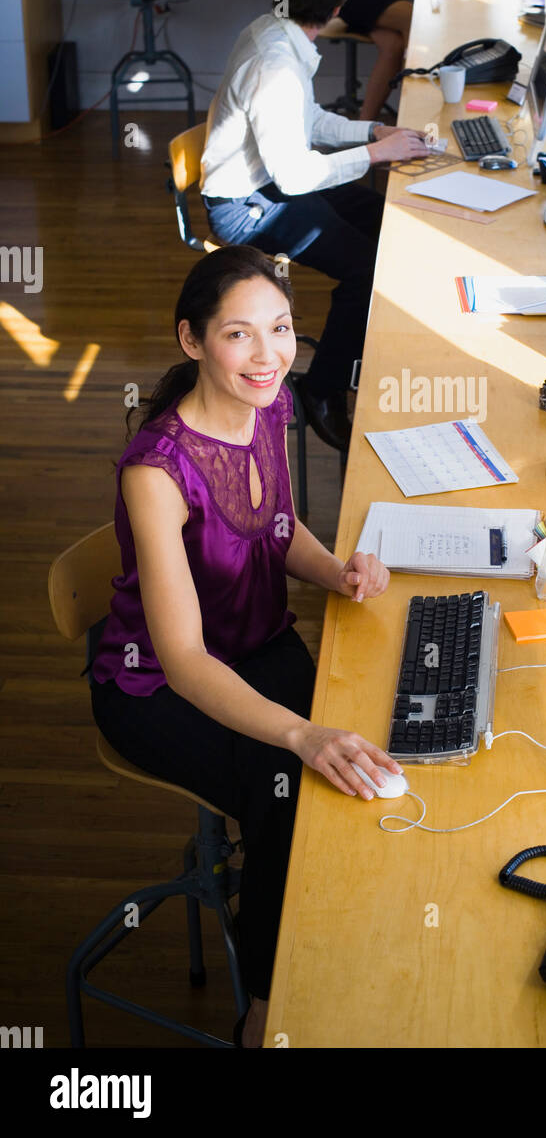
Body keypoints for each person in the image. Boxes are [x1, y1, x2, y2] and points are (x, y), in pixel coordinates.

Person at [90, 245, 402, 1047]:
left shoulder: (271, 404)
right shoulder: (155, 471)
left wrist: (335, 570)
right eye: (239, 335)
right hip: (160, 682)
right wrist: (298, 732)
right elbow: (188, 661)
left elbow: (275, 523)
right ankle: (265, 1009)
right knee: (290, 787)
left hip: (258, 642)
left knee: (364, 738)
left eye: (281, 329)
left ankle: (322, 928)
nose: (268, 355)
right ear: (192, 341)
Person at [200, 0, 427, 451]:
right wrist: (375, 156)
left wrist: (375, 133)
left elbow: (312, 123)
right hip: (246, 205)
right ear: (339, 9)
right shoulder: (276, 63)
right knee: (365, 267)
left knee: (382, 217)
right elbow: (297, 177)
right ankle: (322, 391)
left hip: (270, 182)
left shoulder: (274, 31)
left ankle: (366, 350)